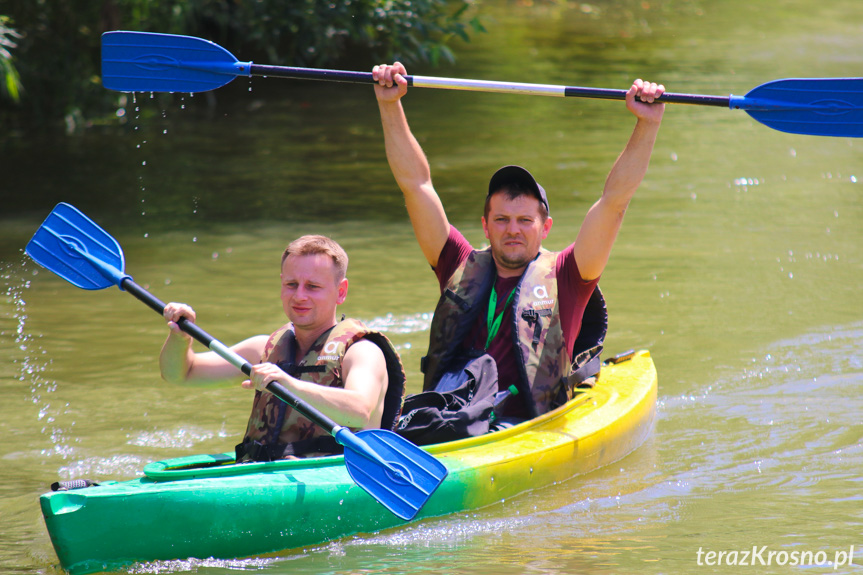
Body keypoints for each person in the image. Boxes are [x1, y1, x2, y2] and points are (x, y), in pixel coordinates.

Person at [373, 62, 664, 423]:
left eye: (525, 220)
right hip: (452, 419)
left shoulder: (569, 274)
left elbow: (614, 202)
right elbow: (416, 185)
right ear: (485, 225)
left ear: (545, 228)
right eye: (502, 220)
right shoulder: (457, 263)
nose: (513, 230)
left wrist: (646, 123)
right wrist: (390, 104)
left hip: (523, 428)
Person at [159, 235, 406, 461]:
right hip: (267, 475)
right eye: (291, 284)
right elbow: (181, 374)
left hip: (337, 478)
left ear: (340, 292)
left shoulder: (361, 351)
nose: (299, 295)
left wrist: (288, 384)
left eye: (312, 287)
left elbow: (360, 411)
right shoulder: (263, 350)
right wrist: (180, 338)